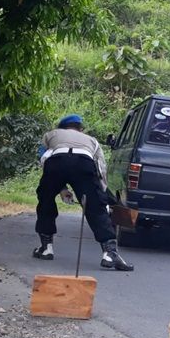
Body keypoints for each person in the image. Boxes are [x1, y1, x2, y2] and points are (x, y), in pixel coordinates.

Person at [33, 114, 134, 271]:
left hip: (56, 163)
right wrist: (100, 194)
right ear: (81, 129)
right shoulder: (92, 140)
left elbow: (43, 157)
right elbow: (101, 167)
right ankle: (110, 253)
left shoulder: (51, 135)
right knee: (96, 209)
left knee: (45, 201)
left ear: (61, 128)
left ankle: (46, 248)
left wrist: (59, 188)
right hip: (84, 163)